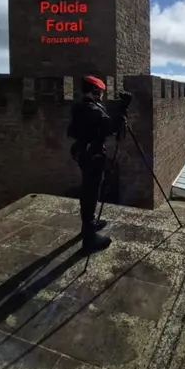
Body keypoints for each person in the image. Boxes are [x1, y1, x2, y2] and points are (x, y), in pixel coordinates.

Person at [68, 75, 127, 253]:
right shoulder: (93, 109)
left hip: (82, 152)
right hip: (93, 155)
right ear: (94, 91)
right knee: (91, 192)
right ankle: (89, 239)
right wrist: (123, 108)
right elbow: (110, 127)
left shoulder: (79, 107)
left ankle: (90, 224)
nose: (101, 95)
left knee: (88, 189)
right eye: (99, 92)